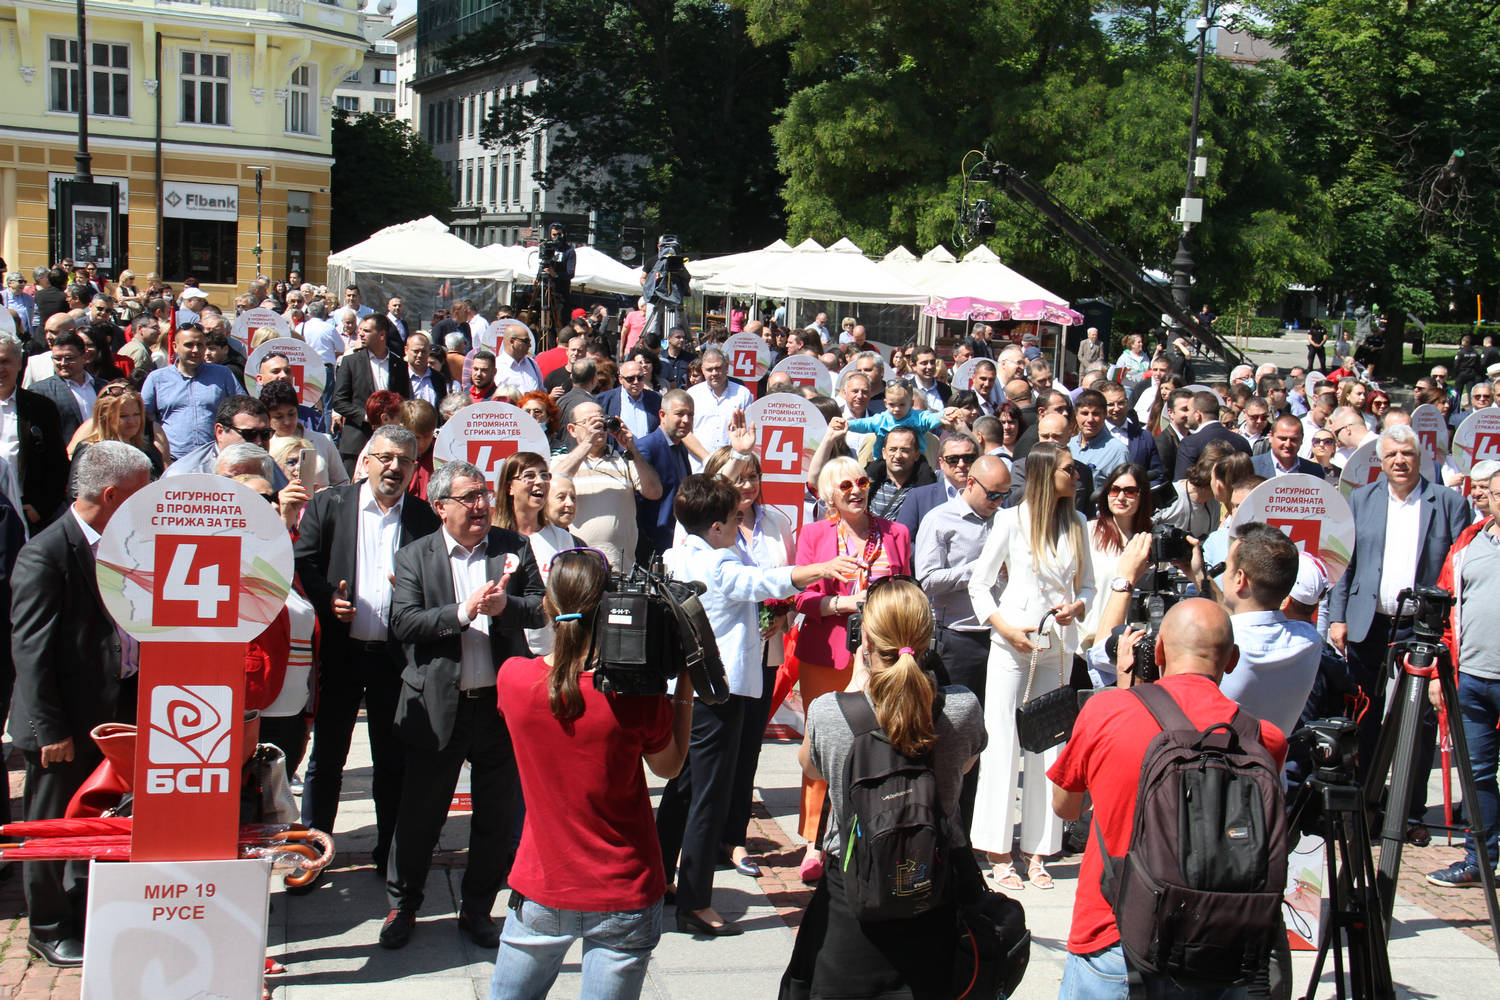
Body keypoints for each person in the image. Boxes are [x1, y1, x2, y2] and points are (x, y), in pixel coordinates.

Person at [1050, 599, 1288, 1000]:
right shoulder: (1265, 739)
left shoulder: (1105, 711)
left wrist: (1125, 689)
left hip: (1114, 937)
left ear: (1158, 652)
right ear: (1232, 660)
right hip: (1220, 946)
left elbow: (1066, 806)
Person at [658, 475, 855, 935]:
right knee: (708, 796)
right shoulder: (718, 562)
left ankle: (659, 875)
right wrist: (822, 568)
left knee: (683, 787)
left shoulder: (679, 553)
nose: (740, 524)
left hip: (690, 689)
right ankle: (695, 902)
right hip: (719, 690)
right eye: (734, 519)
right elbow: (763, 580)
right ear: (715, 527)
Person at [489, 549, 692, 998]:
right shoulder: (636, 698)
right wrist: (684, 685)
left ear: (547, 606)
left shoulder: (513, 680)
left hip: (543, 883)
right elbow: (670, 767)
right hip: (625, 885)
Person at [781, 577, 986, 998]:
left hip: (852, 894)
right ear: (928, 640)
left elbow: (811, 767)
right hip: (935, 888)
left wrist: (853, 688)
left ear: (866, 641)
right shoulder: (962, 706)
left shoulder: (831, 712)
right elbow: (966, 763)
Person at [380, 460, 545, 950]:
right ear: (440, 506)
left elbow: (541, 606)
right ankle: (403, 905)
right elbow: (404, 622)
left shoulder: (512, 547)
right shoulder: (415, 555)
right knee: (420, 814)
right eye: (469, 497)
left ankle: (477, 908)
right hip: (438, 705)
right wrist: (461, 612)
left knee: (495, 815)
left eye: (483, 495)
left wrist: (506, 607)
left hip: (498, 706)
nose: (480, 506)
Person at [9, 442, 151, 966]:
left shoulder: (129, 544)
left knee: (101, 824)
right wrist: (50, 730)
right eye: (141, 494)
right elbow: (32, 651)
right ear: (112, 495)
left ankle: (88, 914)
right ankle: (46, 929)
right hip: (64, 724)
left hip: (114, 714)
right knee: (52, 829)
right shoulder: (47, 553)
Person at [292, 425, 440, 888]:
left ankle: (388, 852)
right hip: (342, 652)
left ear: (414, 469)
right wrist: (326, 599)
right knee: (327, 758)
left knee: (391, 760)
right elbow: (304, 560)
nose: (394, 468)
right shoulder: (330, 504)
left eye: (404, 461)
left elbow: (438, 575)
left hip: (394, 659)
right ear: (367, 461)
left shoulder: (423, 517)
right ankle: (312, 849)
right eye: (386, 458)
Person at [1329, 424, 1472, 844]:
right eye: (1391, 455)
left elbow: (1457, 571)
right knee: (1366, 715)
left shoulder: (1448, 503)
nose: (1399, 461)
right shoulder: (1361, 500)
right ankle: (1366, 805)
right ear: (1381, 460)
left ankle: (1409, 811)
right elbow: (1346, 563)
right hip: (1370, 622)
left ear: (1419, 456)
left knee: (1420, 719)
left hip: (1423, 627)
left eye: (1406, 453)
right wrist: (1338, 616)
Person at [968, 441, 1094, 891]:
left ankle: (1039, 850)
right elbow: (979, 585)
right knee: (1002, 744)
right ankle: (997, 852)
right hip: (1013, 645)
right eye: (1068, 470)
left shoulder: (1078, 523)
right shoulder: (1009, 521)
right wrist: (1004, 628)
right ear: (1045, 474)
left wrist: (1077, 607)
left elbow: (1089, 587)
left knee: (1049, 746)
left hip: (1057, 648)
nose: (1076, 477)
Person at [791, 455, 914, 880]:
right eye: (845, 485)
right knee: (822, 742)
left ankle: (870, 831)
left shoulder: (896, 533)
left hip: (883, 655)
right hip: (827, 654)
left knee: (879, 741)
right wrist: (844, 603)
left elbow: (906, 589)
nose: (856, 490)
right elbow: (801, 597)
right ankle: (814, 841)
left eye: (861, 482)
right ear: (829, 495)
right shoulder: (814, 534)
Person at [913, 453, 1011, 831]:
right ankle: (940, 829)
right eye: (993, 495)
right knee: (952, 739)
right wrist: (982, 568)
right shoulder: (941, 520)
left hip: (999, 638)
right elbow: (928, 579)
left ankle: (970, 831)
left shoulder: (1005, 520)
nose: (998, 502)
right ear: (970, 483)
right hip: (956, 640)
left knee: (985, 740)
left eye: (1004, 495)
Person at [1425, 465, 1500, 887]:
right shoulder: (1470, 542)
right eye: (1495, 493)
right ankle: (1479, 861)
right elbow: (1446, 612)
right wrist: (1440, 673)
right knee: (1477, 775)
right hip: (1471, 677)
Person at [141, 322, 244, 458]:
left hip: (214, 457)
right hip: (173, 459)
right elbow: (145, 417)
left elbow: (241, 409)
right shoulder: (157, 378)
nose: (195, 350)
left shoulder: (223, 374)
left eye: (200, 345)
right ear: (175, 346)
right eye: (189, 345)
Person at [1081, 463, 1154, 650]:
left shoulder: (1151, 539)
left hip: (1136, 643)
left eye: (1130, 492)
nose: (1121, 497)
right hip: (1091, 642)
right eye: (1115, 490)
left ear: (1142, 496)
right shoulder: (1088, 533)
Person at [0, 331, 68, 528]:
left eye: (5, 361)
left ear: (19, 363)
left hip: (24, 514)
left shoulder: (40, 408)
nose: (0, 368)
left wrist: (41, 508)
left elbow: (57, 464)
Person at [333, 315, 412, 476]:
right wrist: (366, 416)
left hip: (390, 443)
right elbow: (339, 401)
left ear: (382, 335)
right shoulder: (350, 362)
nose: (361, 334)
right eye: (360, 331)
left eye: (367, 331)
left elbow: (405, 400)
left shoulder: (399, 365)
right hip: (357, 441)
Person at [634, 388, 694, 562]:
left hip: (677, 542)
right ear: (662, 415)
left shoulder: (681, 447)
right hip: (653, 548)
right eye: (680, 414)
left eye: (690, 415)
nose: (686, 420)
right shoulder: (646, 448)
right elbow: (638, 503)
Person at [68, 381, 164, 484]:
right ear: (104, 418)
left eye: (136, 414)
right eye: (123, 416)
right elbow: (76, 490)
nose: (132, 421)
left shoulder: (147, 446)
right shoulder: (89, 451)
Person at [895, 431, 983, 538]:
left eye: (968, 458)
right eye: (953, 459)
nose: (961, 464)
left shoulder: (990, 496)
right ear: (941, 463)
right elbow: (902, 540)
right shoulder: (918, 497)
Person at [30, 331, 103, 444]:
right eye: (57, 358)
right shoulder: (40, 391)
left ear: (84, 357)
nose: (63, 363)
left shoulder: (103, 387)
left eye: (69, 358)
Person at [684, 348, 753, 461]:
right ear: (702, 370)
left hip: (732, 464)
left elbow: (748, 432)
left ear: (726, 367)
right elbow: (686, 433)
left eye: (718, 368)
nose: (714, 373)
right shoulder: (692, 394)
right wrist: (707, 459)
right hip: (700, 465)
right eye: (709, 369)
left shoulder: (743, 394)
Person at [598, 358, 661, 440]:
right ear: (620, 379)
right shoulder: (604, 399)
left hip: (648, 447)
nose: (636, 382)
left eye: (640, 378)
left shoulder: (656, 398)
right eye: (630, 379)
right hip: (618, 448)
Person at [1251, 415, 1324, 479]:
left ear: (1301, 439)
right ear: (1271, 436)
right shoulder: (1252, 466)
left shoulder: (1315, 471)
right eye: (1283, 439)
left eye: (1293, 440)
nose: (1288, 444)